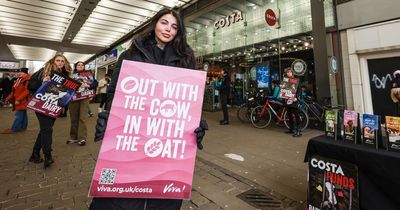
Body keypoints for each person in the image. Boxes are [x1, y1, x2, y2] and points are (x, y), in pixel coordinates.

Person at [90, 8, 208, 210]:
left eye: (174, 26)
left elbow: (188, 99)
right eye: (164, 23)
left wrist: (194, 123)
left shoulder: (186, 58)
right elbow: (114, 93)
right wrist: (110, 116)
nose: (168, 29)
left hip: (166, 148)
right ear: (155, 24)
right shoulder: (131, 54)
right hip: (130, 140)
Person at [28, 54, 73, 169]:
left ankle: (35, 154)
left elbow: (66, 92)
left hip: (54, 107)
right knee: (47, 129)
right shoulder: (43, 71)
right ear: (53, 61)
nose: (60, 63)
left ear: (65, 63)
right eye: (58, 60)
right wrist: (42, 81)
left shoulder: (64, 76)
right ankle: (48, 156)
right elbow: (30, 85)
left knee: (45, 130)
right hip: (41, 104)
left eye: (62, 61)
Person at [67, 61, 98, 146]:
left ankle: (82, 138)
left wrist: (88, 86)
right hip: (73, 98)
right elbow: (65, 85)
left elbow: (95, 83)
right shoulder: (70, 75)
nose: (80, 66)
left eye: (82, 65)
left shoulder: (88, 74)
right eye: (78, 65)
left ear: (84, 67)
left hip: (84, 97)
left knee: (82, 118)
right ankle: (73, 137)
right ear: (75, 66)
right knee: (74, 118)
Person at [0, 68, 31, 134]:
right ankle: (23, 127)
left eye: (21, 72)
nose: (19, 73)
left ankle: (14, 129)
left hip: (22, 100)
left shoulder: (27, 80)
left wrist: (18, 99)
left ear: (25, 74)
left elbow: (26, 91)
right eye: (19, 72)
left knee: (18, 115)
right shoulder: (19, 80)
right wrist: (7, 98)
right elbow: (14, 91)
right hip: (19, 100)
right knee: (23, 114)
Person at [282, 68, 302, 137]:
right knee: (289, 115)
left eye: (290, 72)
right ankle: (291, 129)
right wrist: (281, 87)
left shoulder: (296, 80)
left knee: (296, 115)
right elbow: (284, 89)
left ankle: (299, 131)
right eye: (287, 72)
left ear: (292, 73)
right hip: (287, 100)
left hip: (294, 100)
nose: (288, 73)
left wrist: (296, 97)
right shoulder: (285, 80)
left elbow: (299, 90)